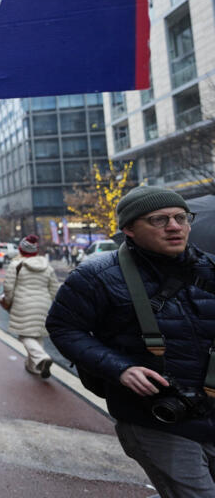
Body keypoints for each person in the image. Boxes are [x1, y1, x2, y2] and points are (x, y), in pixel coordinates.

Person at [47, 186, 215, 497]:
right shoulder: (95, 275)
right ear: (129, 229)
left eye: (181, 217)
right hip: (158, 419)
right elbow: (64, 328)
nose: (175, 226)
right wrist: (121, 369)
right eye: (159, 220)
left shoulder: (211, 266)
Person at [2, 235, 58, 377]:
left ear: (21, 249)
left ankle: (41, 358)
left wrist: (7, 302)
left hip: (22, 304)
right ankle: (33, 367)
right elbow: (55, 289)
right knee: (36, 335)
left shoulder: (16, 265)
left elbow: (8, 288)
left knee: (25, 335)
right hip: (44, 304)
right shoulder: (47, 266)